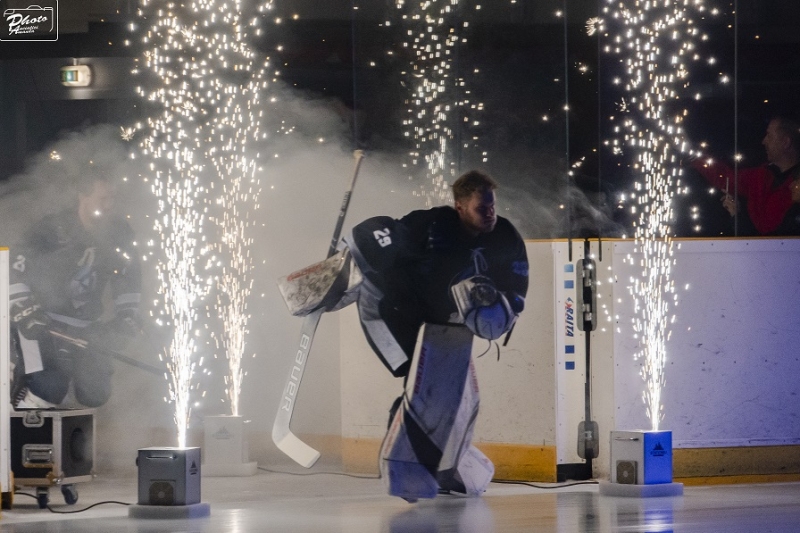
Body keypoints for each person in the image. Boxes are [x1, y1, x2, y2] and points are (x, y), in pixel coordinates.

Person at [281, 170, 528, 501]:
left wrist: (501, 308)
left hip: (438, 323)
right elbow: (374, 237)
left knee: (452, 388)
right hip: (387, 310)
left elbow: (514, 292)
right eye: (481, 208)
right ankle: (405, 461)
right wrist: (340, 271)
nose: (490, 214)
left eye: (492, 206)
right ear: (459, 207)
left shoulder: (505, 237)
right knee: (425, 380)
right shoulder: (431, 226)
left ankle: (448, 465)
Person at [9, 172, 142, 409]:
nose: (109, 205)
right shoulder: (52, 228)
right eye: (103, 198)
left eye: (112, 198)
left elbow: (128, 276)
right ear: (83, 196)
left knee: (94, 394)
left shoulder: (119, 233)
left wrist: (127, 316)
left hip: (84, 327)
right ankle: (16, 403)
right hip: (42, 322)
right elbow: (15, 264)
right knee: (48, 386)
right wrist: (24, 309)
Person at [688, 115, 800, 235]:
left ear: (785, 142)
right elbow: (726, 178)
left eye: (770, 136)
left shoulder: (793, 184)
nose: (764, 141)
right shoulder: (761, 176)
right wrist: (694, 157)